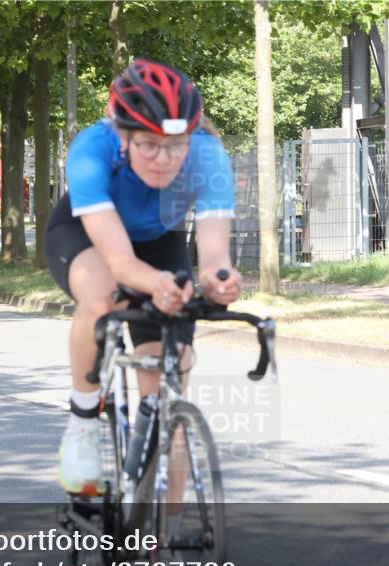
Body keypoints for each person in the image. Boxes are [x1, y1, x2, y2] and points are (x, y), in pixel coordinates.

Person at [48, 57, 242, 499]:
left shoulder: (208, 155)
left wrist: (221, 280)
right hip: (88, 235)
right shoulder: (92, 149)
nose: (163, 158)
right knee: (104, 297)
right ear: (123, 135)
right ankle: (82, 423)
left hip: (159, 240)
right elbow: (119, 263)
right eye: (149, 145)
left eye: (175, 145)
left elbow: (214, 256)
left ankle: (165, 531)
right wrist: (155, 285)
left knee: (170, 386)